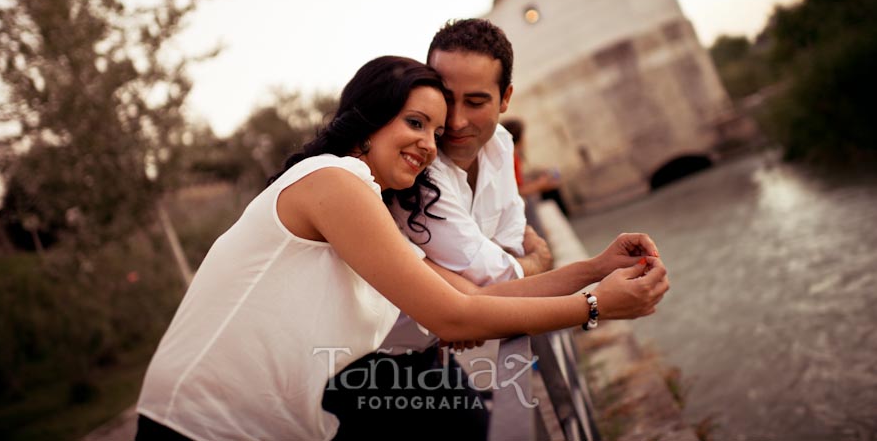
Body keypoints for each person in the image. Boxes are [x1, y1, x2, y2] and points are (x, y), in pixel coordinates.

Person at [135, 55, 668, 441]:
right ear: (369, 118)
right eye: (415, 122)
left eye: (435, 132)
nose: (428, 144)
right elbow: (455, 317)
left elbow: (482, 297)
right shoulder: (333, 181)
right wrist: (598, 307)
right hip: (196, 425)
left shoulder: (366, 210)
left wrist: (594, 269)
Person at [322, 20, 659, 439]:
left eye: (477, 101)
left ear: (505, 99)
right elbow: (490, 282)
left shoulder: (499, 144)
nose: (457, 121)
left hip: (427, 352)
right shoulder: (412, 179)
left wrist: (594, 267)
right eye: (445, 101)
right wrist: (581, 291)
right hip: (360, 369)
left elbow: (496, 265)